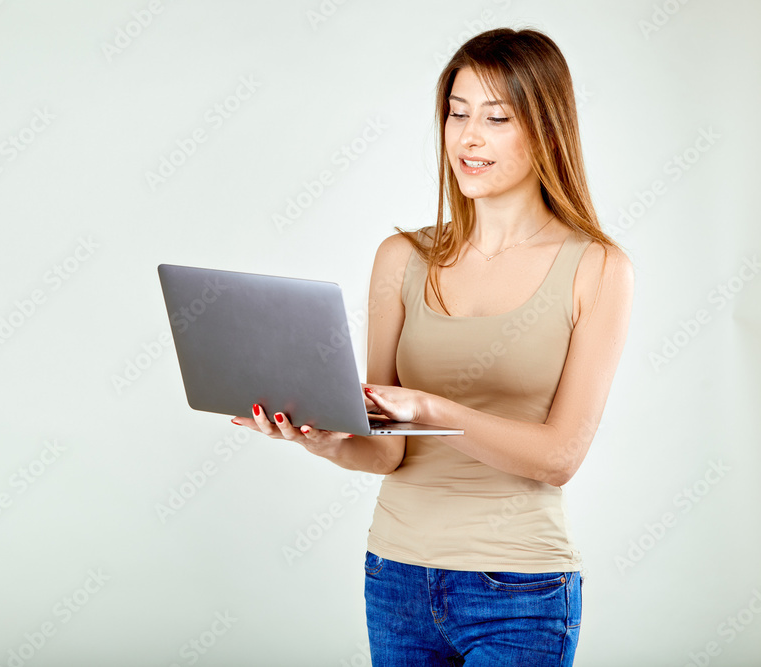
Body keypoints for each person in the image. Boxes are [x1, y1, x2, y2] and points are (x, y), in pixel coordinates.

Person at [231, 26, 633, 666]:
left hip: (520, 589)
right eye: (457, 113)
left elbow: (560, 457)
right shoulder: (400, 259)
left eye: (496, 118)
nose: (468, 137)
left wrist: (433, 409)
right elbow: (386, 452)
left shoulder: (597, 268)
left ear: (548, 131)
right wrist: (324, 437)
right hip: (396, 577)